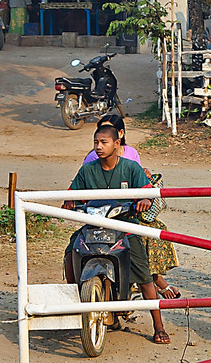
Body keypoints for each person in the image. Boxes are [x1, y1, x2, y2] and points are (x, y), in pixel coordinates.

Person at [68, 124, 172, 344]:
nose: (98, 147)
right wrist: (69, 202)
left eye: (104, 142)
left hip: (125, 225)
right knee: (70, 251)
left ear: (117, 144)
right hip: (93, 224)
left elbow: (148, 192)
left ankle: (159, 326)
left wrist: (144, 199)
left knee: (144, 275)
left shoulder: (131, 168)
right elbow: (73, 193)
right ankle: (73, 300)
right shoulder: (88, 170)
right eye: (96, 142)